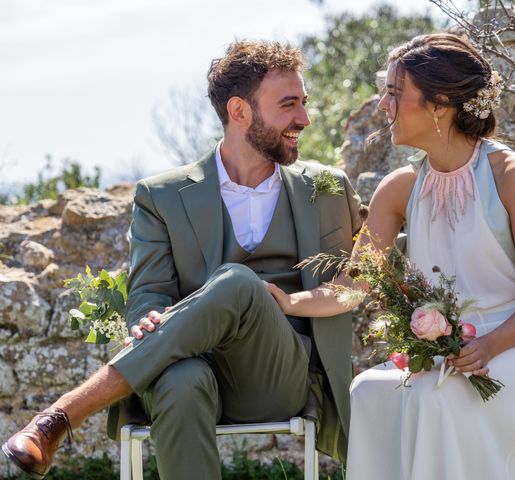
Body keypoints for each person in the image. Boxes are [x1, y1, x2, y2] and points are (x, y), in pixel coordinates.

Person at [2, 40, 362, 480]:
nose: (304, 119)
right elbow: (149, 293)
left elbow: (371, 264)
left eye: (304, 103)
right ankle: (60, 420)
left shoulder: (326, 188)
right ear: (239, 111)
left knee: (237, 282)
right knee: (179, 381)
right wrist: (150, 317)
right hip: (195, 366)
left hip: (277, 376)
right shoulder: (162, 195)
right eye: (289, 105)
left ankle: (60, 417)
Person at [264, 33, 515, 479]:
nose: (383, 105)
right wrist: (290, 301)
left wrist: (487, 347)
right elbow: (356, 284)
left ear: (440, 105)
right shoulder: (398, 188)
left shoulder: (513, 176)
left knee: (442, 397)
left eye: (395, 93)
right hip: (456, 353)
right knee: (369, 392)